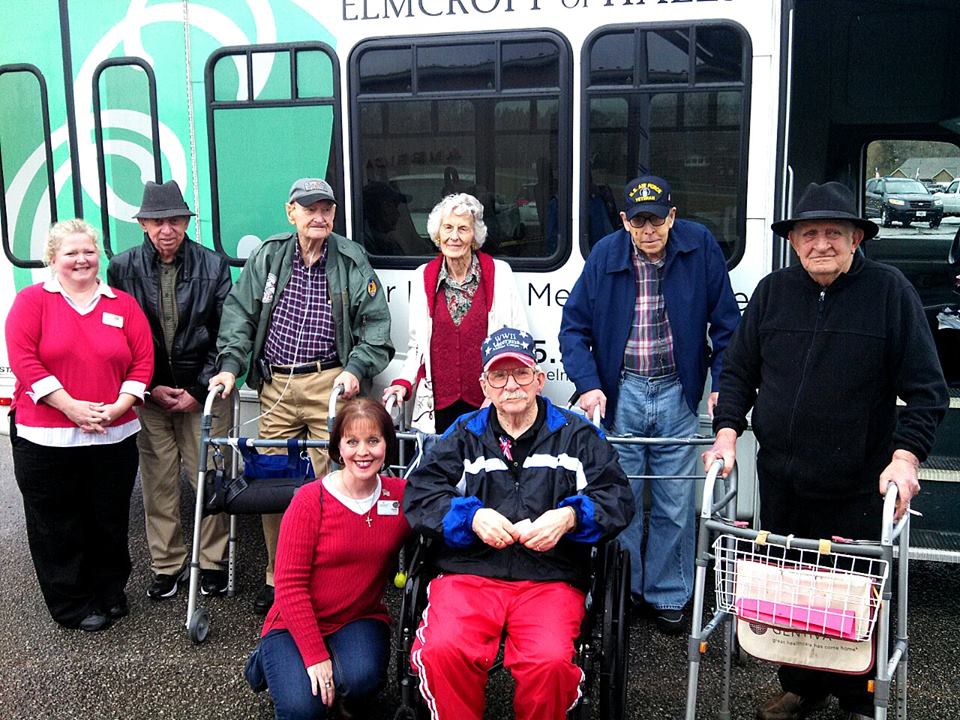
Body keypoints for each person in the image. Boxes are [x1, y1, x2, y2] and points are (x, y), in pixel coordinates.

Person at [702, 181, 948, 720]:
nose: (821, 244)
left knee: (857, 594)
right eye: (808, 233)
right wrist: (726, 431)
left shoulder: (890, 292)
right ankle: (802, 686)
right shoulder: (772, 292)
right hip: (784, 476)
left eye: (833, 233)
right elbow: (739, 371)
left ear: (856, 238)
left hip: (859, 479)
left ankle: (860, 696)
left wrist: (906, 458)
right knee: (793, 592)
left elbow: (928, 389)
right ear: (793, 241)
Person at [402, 327, 634, 720]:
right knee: (442, 650)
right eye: (499, 376)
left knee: (550, 663)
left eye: (521, 373)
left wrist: (570, 517)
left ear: (539, 380)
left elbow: (617, 496)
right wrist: (471, 517)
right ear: (485, 387)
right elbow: (420, 494)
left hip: (550, 577)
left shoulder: (576, 436)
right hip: (469, 572)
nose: (511, 385)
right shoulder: (463, 435)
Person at [559, 174, 740, 634]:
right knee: (622, 497)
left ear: (672, 217)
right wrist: (587, 384)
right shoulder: (604, 255)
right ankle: (625, 589)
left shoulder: (699, 248)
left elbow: (727, 328)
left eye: (657, 220)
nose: (648, 231)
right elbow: (573, 328)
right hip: (622, 390)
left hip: (678, 388)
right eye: (638, 222)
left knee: (675, 499)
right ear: (624, 222)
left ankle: (668, 594)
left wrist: (722, 382)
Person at [209, 177, 393, 614]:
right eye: (309, 208)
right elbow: (239, 314)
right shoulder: (270, 255)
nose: (319, 216)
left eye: (326, 208)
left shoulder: (350, 259)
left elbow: (377, 330)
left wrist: (354, 370)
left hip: (329, 383)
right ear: (290, 212)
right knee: (273, 482)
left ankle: (329, 575)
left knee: (333, 483)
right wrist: (230, 367)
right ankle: (279, 575)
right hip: (275, 385)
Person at [6, 219, 153, 632]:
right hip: (45, 438)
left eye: (88, 251)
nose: (81, 259)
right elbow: (25, 361)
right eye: (70, 253)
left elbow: (142, 361)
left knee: (107, 519)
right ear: (53, 260)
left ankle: (109, 591)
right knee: (57, 524)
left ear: (99, 256)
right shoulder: (32, 302)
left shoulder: (121, 304)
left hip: (113, 432)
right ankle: (72, 604)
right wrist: (70, 407)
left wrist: (121, 404)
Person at [243, 397, 409, 719]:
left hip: (358, 617)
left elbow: (443, 511)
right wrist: (315, 655)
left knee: (363, 681)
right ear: (338, 448)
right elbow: (288, 585)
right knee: (304, 708)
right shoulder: (310, 500)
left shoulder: (400, 495)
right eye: (352, 442)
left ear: (387, 444)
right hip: (294, 622)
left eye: (373, 440)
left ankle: (334, 675)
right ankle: (266, 659)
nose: (363, 452)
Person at [107, 180, 234, 600]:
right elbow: (119, 338)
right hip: (150, 395)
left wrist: (200, 388)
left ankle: (212, 563)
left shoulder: (213, 265)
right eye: (158, 220)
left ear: (185, 222)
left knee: (209, 479)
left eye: (176, 219)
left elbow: (227, 334)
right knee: (158, 483)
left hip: (203, 393)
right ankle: (167, 565)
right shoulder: (121, 268)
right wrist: (145, 388)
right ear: (143, 223)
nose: (167, 228)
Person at [382, 193, 528, 433]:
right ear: (437, 235)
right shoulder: (423, 277)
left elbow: (519, 340)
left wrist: (501, 390)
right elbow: (417, 348)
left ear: (475, 236)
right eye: (447, 228)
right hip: (439, 405)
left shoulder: (499, 273)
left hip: (489, 400)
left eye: (463, 229)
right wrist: (402, 384)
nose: (454, 236)